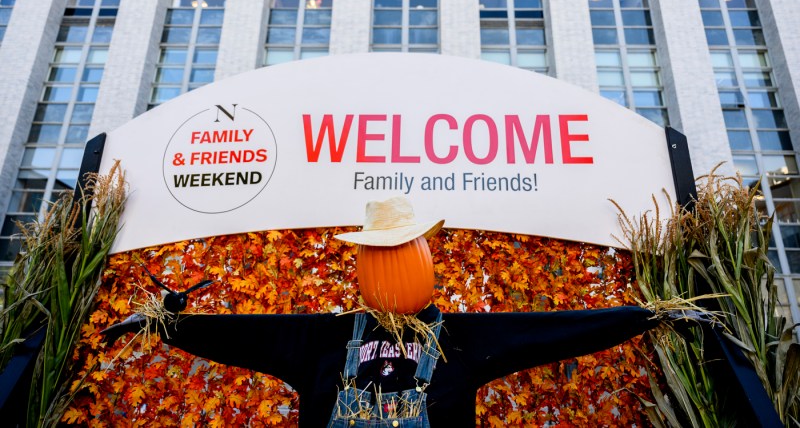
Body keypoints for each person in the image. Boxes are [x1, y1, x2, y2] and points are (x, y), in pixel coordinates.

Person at [104, 197, 664, 427]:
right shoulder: (324, 339)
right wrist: (165, 324)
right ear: (364, 261)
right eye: (383, 252)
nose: (396, 264)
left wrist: (645, 316)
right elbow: (243, 336)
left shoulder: (461, 338)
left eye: (405, 250)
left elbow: (557, 331)